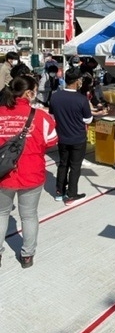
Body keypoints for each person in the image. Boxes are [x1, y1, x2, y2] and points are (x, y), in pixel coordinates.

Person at [0, 76, 58, 268]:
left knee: (1, 214)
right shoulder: (40, 116)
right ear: (28, 93)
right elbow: (52, 141)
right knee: (29, 215)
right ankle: (27, 255)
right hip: (32, 173)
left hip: (3, 174)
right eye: (34, 91)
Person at [49, 67, 93, 205]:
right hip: (78, 138)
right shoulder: (81, 99)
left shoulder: (55, 96)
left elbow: (52, 115)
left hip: (62, 137)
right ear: (77, 81)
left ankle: (59, 191)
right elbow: (88, 119)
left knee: (63, 164)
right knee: (75, 166)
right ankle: (72, 194)